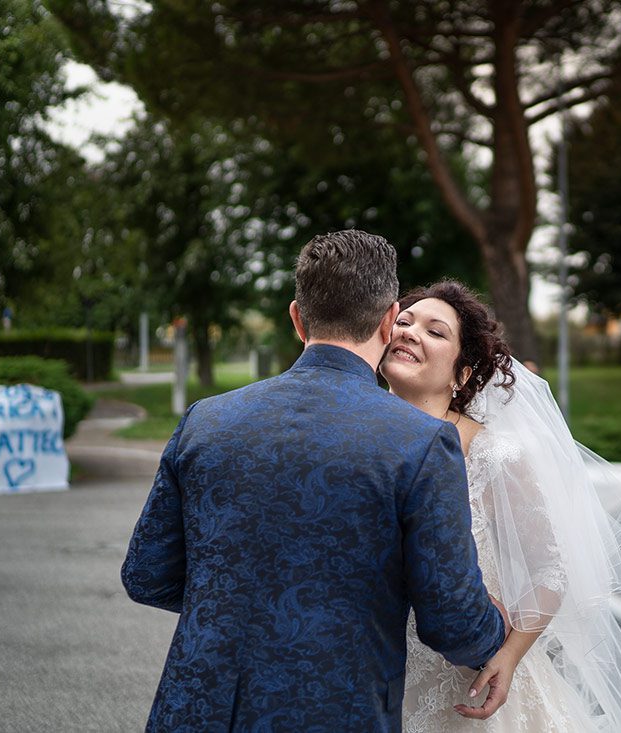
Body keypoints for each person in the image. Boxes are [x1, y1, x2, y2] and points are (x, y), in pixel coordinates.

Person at [121, 231, 508, 732]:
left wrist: (239, 594)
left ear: (297, 318)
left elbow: (147, 575)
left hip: (198, 707)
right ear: (390, 321)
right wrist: (495, 628)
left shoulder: (205, 419)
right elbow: (451, 620)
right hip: (337, 709)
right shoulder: (422, 442)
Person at [380, 281, 621, 732]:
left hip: (466, 686)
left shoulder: (494, 455)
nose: (410, 332)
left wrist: (510, 655)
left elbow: (550, 569)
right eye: (403, 321)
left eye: (435, 331)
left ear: (461, 375)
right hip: (379, 677)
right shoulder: (357, 441)